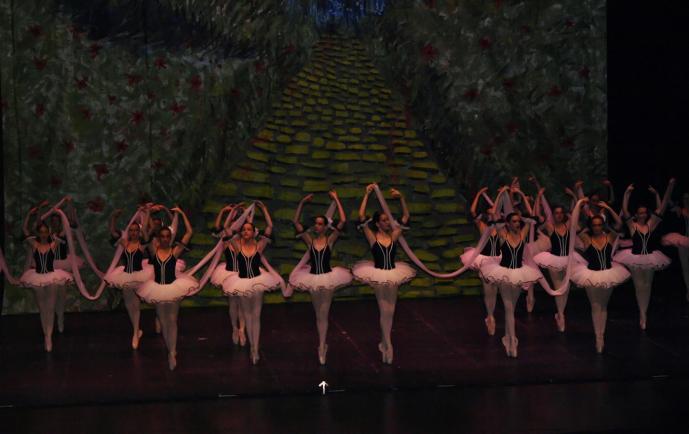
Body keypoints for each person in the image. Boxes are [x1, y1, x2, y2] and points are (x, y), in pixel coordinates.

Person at [353, 184, 416, 364]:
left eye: (388, 220)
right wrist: (366, 194)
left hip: (393, 273)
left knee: (391, 311)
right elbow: (361, 216)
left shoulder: (393, 236)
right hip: (378, 274)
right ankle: (388, 344)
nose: (388, 222)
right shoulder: (372, 237)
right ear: (377, 223)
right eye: (384, 220)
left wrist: (401, 198)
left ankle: (383, 342)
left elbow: (406, 217)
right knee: (384, 311)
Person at [289, 190, 351, 364]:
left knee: (324, 312)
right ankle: (321, 344)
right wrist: (302, 202)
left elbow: (343, 221)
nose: (317, 226)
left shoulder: (330, 240)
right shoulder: (310, 241)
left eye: (320, 224)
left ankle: (322, 345)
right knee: (319, 314)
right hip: (313, 278)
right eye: (315, 224)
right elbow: (295, 222)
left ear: (325, 226)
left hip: (328, 277)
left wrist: (336, 198)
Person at [138, 207, 197, 370]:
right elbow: (144, 232)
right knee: (163, 321)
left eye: (167, 236)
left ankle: (172, 352)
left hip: (173, 287)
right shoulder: (153, 251)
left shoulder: (174, 251)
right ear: (158, 238)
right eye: (162, 236)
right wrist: (147, 212)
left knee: (172, 320)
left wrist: (182, 213)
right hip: (157, 288)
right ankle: (170, 347)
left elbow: (189, 233)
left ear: (170, 238)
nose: (164, 239)